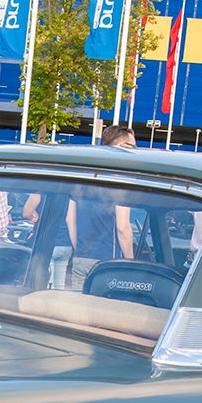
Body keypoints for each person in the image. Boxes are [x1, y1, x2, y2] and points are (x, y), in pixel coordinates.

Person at [66, 125, 137, 291]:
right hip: (107, 261)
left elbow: (70, 220)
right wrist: (131, 262)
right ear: (122, 147)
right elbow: (123, 228)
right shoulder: (120, 183)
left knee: (76, 309)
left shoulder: (83, 180)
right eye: (133, 146)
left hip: (81, 257)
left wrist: (80, 250)